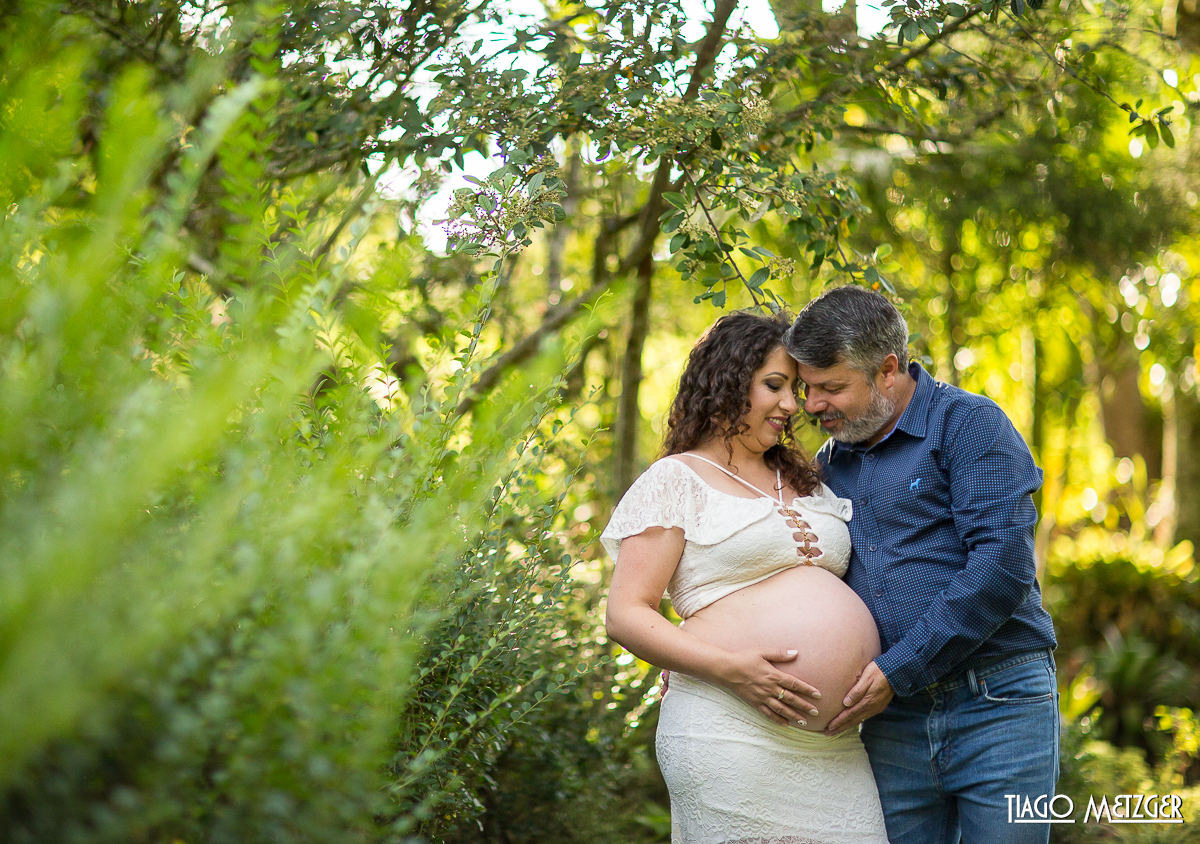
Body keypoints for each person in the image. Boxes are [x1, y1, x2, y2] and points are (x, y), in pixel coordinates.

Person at [784, 285, 1059, 844]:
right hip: (890, 720)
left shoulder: (969, 425)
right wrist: (705, 656)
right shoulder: (828, 466)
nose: (812, 406)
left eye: (831, 387)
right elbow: (785, 570)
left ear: (888, 370)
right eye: (807, 388)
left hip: (997, 701)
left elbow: (1002, 566)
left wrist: (900, 668)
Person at [601, 311, 889, 844]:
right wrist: (731, 668)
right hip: (729, 729)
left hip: (836, 748)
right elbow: (625, 614)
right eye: (774, 386)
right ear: (728, 381)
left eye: (795, 389)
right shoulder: (676, 480)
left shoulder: (810, 479)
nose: (790, 405)